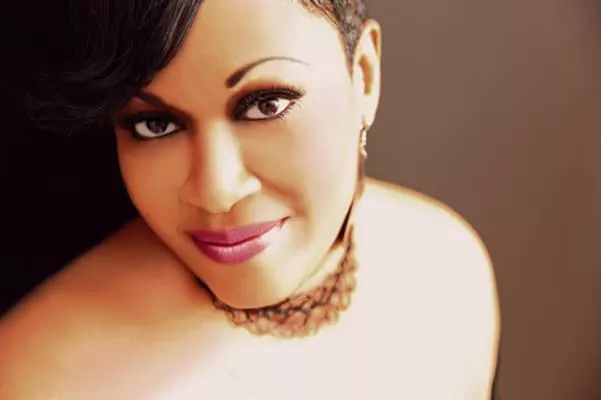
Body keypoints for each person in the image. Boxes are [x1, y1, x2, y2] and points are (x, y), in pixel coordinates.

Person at [0, 0, 500, 398]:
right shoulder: (44, 378)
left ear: (364, 76)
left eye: (266, 104)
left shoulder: (449, 269)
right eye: (154, 125)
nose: (216, 191)